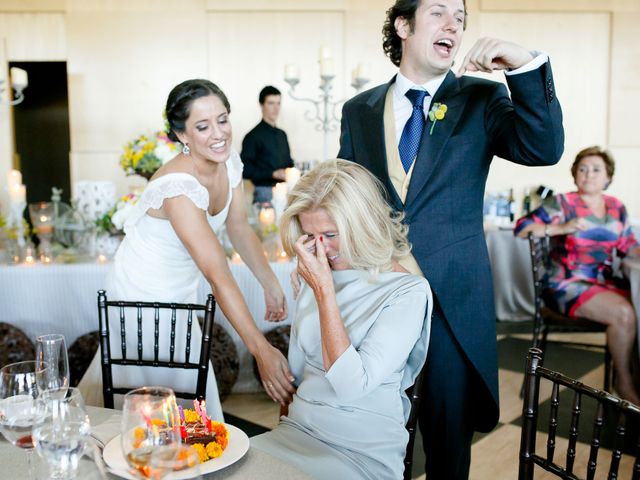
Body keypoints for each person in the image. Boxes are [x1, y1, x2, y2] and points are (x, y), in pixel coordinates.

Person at [337, 0, 564, 477]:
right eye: (438, 12)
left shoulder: (481, 99)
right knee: (366, 429)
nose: (453, 25)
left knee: (447, 444)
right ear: (403, 25)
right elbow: (346, 195)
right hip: (377, 297)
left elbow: (543, 148)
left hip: (452, 303)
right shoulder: (359, 110)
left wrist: (521, 62)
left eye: (460, 18)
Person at [78, 79, 296, 415]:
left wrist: (270, 281)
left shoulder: (229, 161)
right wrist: (261, 349)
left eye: (223, 119)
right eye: (203, 126)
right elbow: (216, 273)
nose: (219, 133)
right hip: (144, 292)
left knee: (184, 382)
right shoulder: (177, 186)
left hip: (181, 287)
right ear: (182, 136)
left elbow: (238, 226)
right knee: (159, 392)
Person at [251, 159, 432, 479]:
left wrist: (323, 291)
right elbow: (296, 377)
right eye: (310, 234)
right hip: (296, 434)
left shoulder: (408, 292)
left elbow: (351, 386)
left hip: (359, 452)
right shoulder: (316, 270)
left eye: (331, 234)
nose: (321, 248)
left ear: (362, 224)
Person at [515, 146, 640, 404]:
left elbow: (628, 245)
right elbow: (522, 228)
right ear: (574, 175)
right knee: (625, 313)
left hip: (602, 283)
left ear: (608, 176)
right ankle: (623, 383)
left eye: (596, 169)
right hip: (566, 284)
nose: (589, 174)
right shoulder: (563, 203)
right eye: (582, 169)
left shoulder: (616, 207)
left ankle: (633, 376)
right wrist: (560, 227)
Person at [241, 85, 294, 204]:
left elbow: (289, 162)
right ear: (261, 105)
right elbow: (245, 170)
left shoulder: (282, 135)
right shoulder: (252, 137)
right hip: (264, 194)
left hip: (287, 191)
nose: (276, 108)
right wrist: (272, 173)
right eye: (271, 103)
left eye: (278, 103)